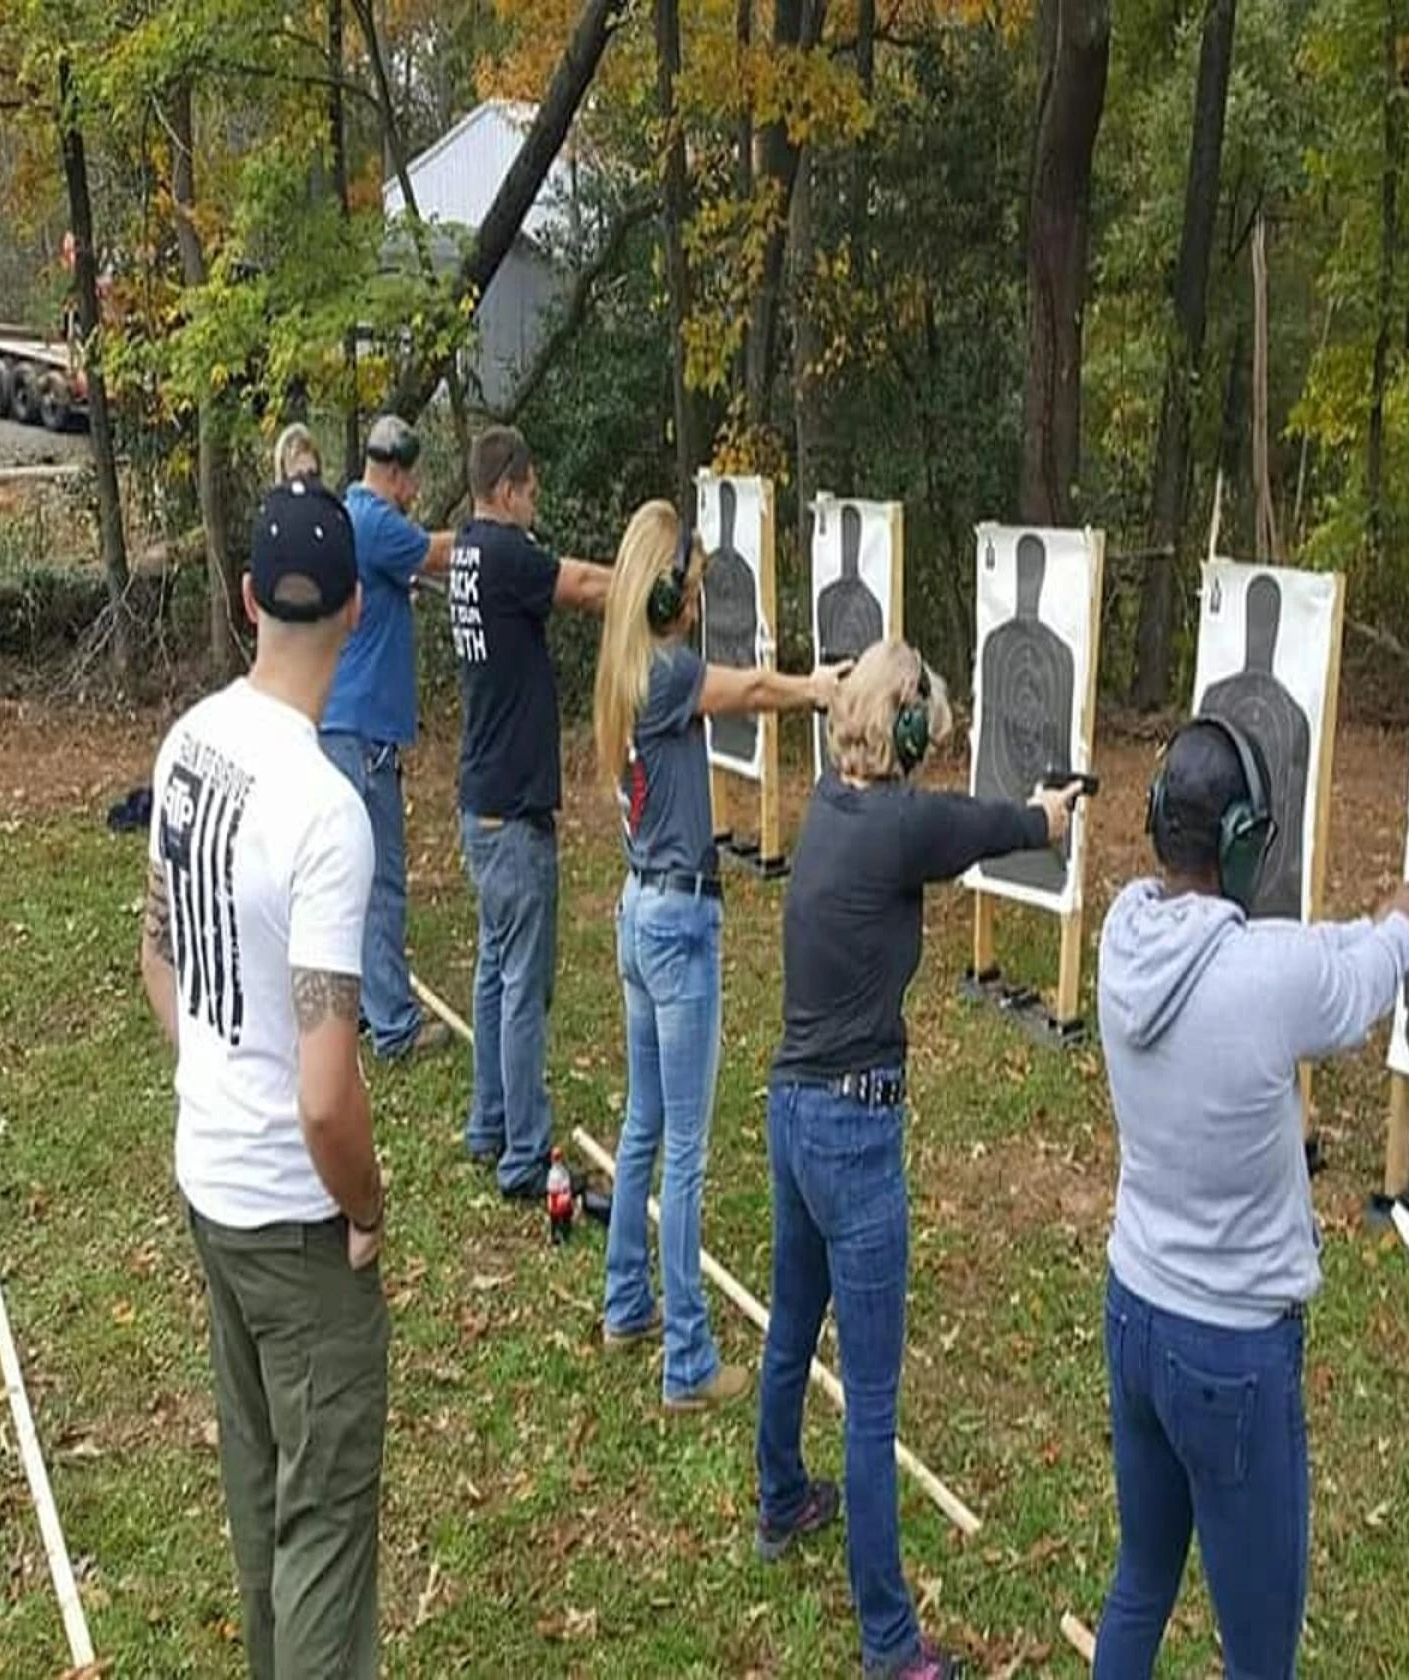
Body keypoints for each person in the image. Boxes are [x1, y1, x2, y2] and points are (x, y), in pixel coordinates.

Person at [752, 639, 1083, 1680]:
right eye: (921, 730)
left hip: (793, 1111)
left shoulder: (824, 804)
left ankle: (777, 1498)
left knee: (792, 1326)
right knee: (875, 1398)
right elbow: (983, 826)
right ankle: (890, 1643)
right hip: (851, 1128)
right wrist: (1047, 816)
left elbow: (941, 814)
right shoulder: (897, 823)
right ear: (899, 733)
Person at [1089, 718, 1409, 1680]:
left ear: (1160, 821)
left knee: (1139, 1583)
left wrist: (1373, 928)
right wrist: (1402, 931)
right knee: (1259, 1657)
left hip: (1133, 1313)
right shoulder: (1271, 980)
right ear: (1246, 842)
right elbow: (1351, 974)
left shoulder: (1123, 931)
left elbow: (1298, 954)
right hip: (1232, 1354)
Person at [139, 475, 389, 1677]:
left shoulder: (190, 743)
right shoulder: (328, 813)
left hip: (212, 1189)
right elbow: (329, 1093)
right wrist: (368, 1206)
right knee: (326, 1521)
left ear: (249, 602)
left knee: (261, 1489)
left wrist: (218, 1074)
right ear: (354, 614)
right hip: (294, 1224)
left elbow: (157, 952)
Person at [590, 498, 848, 1409]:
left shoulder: (625, 665)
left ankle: (627, 1302)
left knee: (643, 1125)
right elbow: (744, 691)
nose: (696, 604)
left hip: (638, 913)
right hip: (674, 926)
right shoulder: (664, 675)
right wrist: (818, 689)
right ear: (661, 592)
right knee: (684, 1151)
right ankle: (688, 1358)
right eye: (690, 589)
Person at [453, 425, 612, 1199]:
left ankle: (489, 1124)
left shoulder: (468, 549)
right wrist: (653, 576)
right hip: (511, 811)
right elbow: (584, 586)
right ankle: (523, 1154)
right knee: (522, 982)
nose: (536, 500)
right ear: (509, 486)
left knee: (493, 970)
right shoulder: (508, 553)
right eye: (532, 487)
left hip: (482, 799)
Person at [320, 414, 455, 1062]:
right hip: (363, 730)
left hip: (348, 724)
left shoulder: (353, 516)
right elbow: (437, 552)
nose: (417, 490)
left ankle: (370, 1010)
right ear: (394, 474)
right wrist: (492, 539)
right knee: (380, 881)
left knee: (351, 878)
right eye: (413, 479)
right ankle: (396, 1027)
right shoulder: (376, 523)